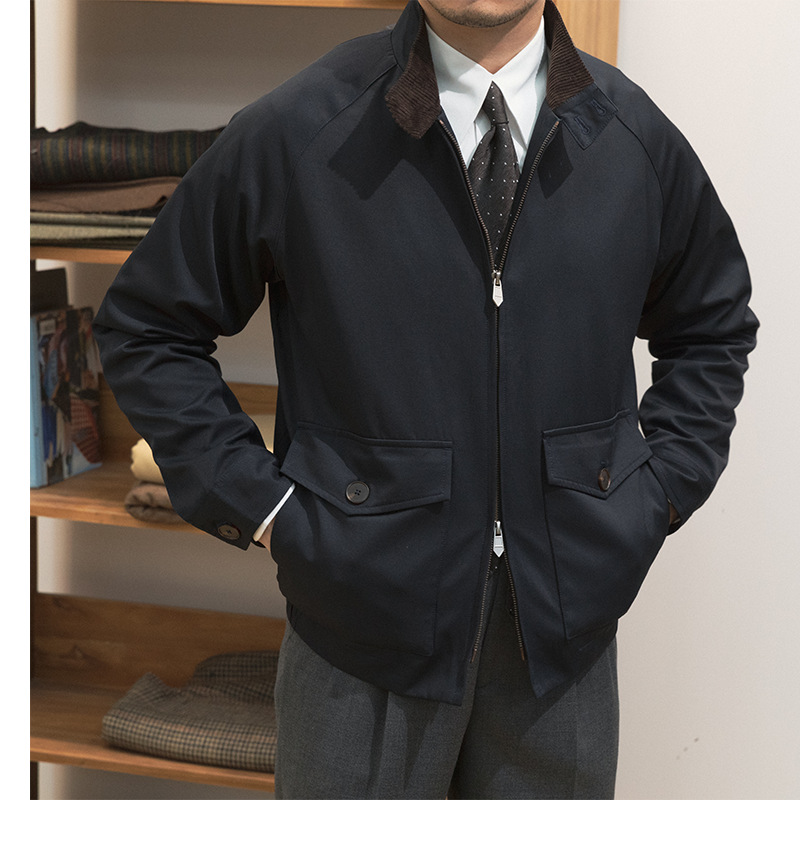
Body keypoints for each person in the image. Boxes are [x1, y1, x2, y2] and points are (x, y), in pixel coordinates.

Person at [93, 0, 758, 799]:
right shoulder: (301, 128)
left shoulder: (632, 138)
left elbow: (712, 324)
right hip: (359, 650)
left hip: (562, 660)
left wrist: (655, 497)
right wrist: (265, 510)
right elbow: (149, 326)